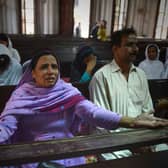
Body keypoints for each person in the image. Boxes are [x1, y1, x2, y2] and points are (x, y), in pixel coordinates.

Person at [0, 49, 168, 167]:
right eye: (44, 67)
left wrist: (134, 122)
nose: (51, 71)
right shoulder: (21, 95)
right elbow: (6, 126)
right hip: (32, 154)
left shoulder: (67, 91)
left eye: (54, 66)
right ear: (33, 73)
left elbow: (93, 113)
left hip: (66, 151)